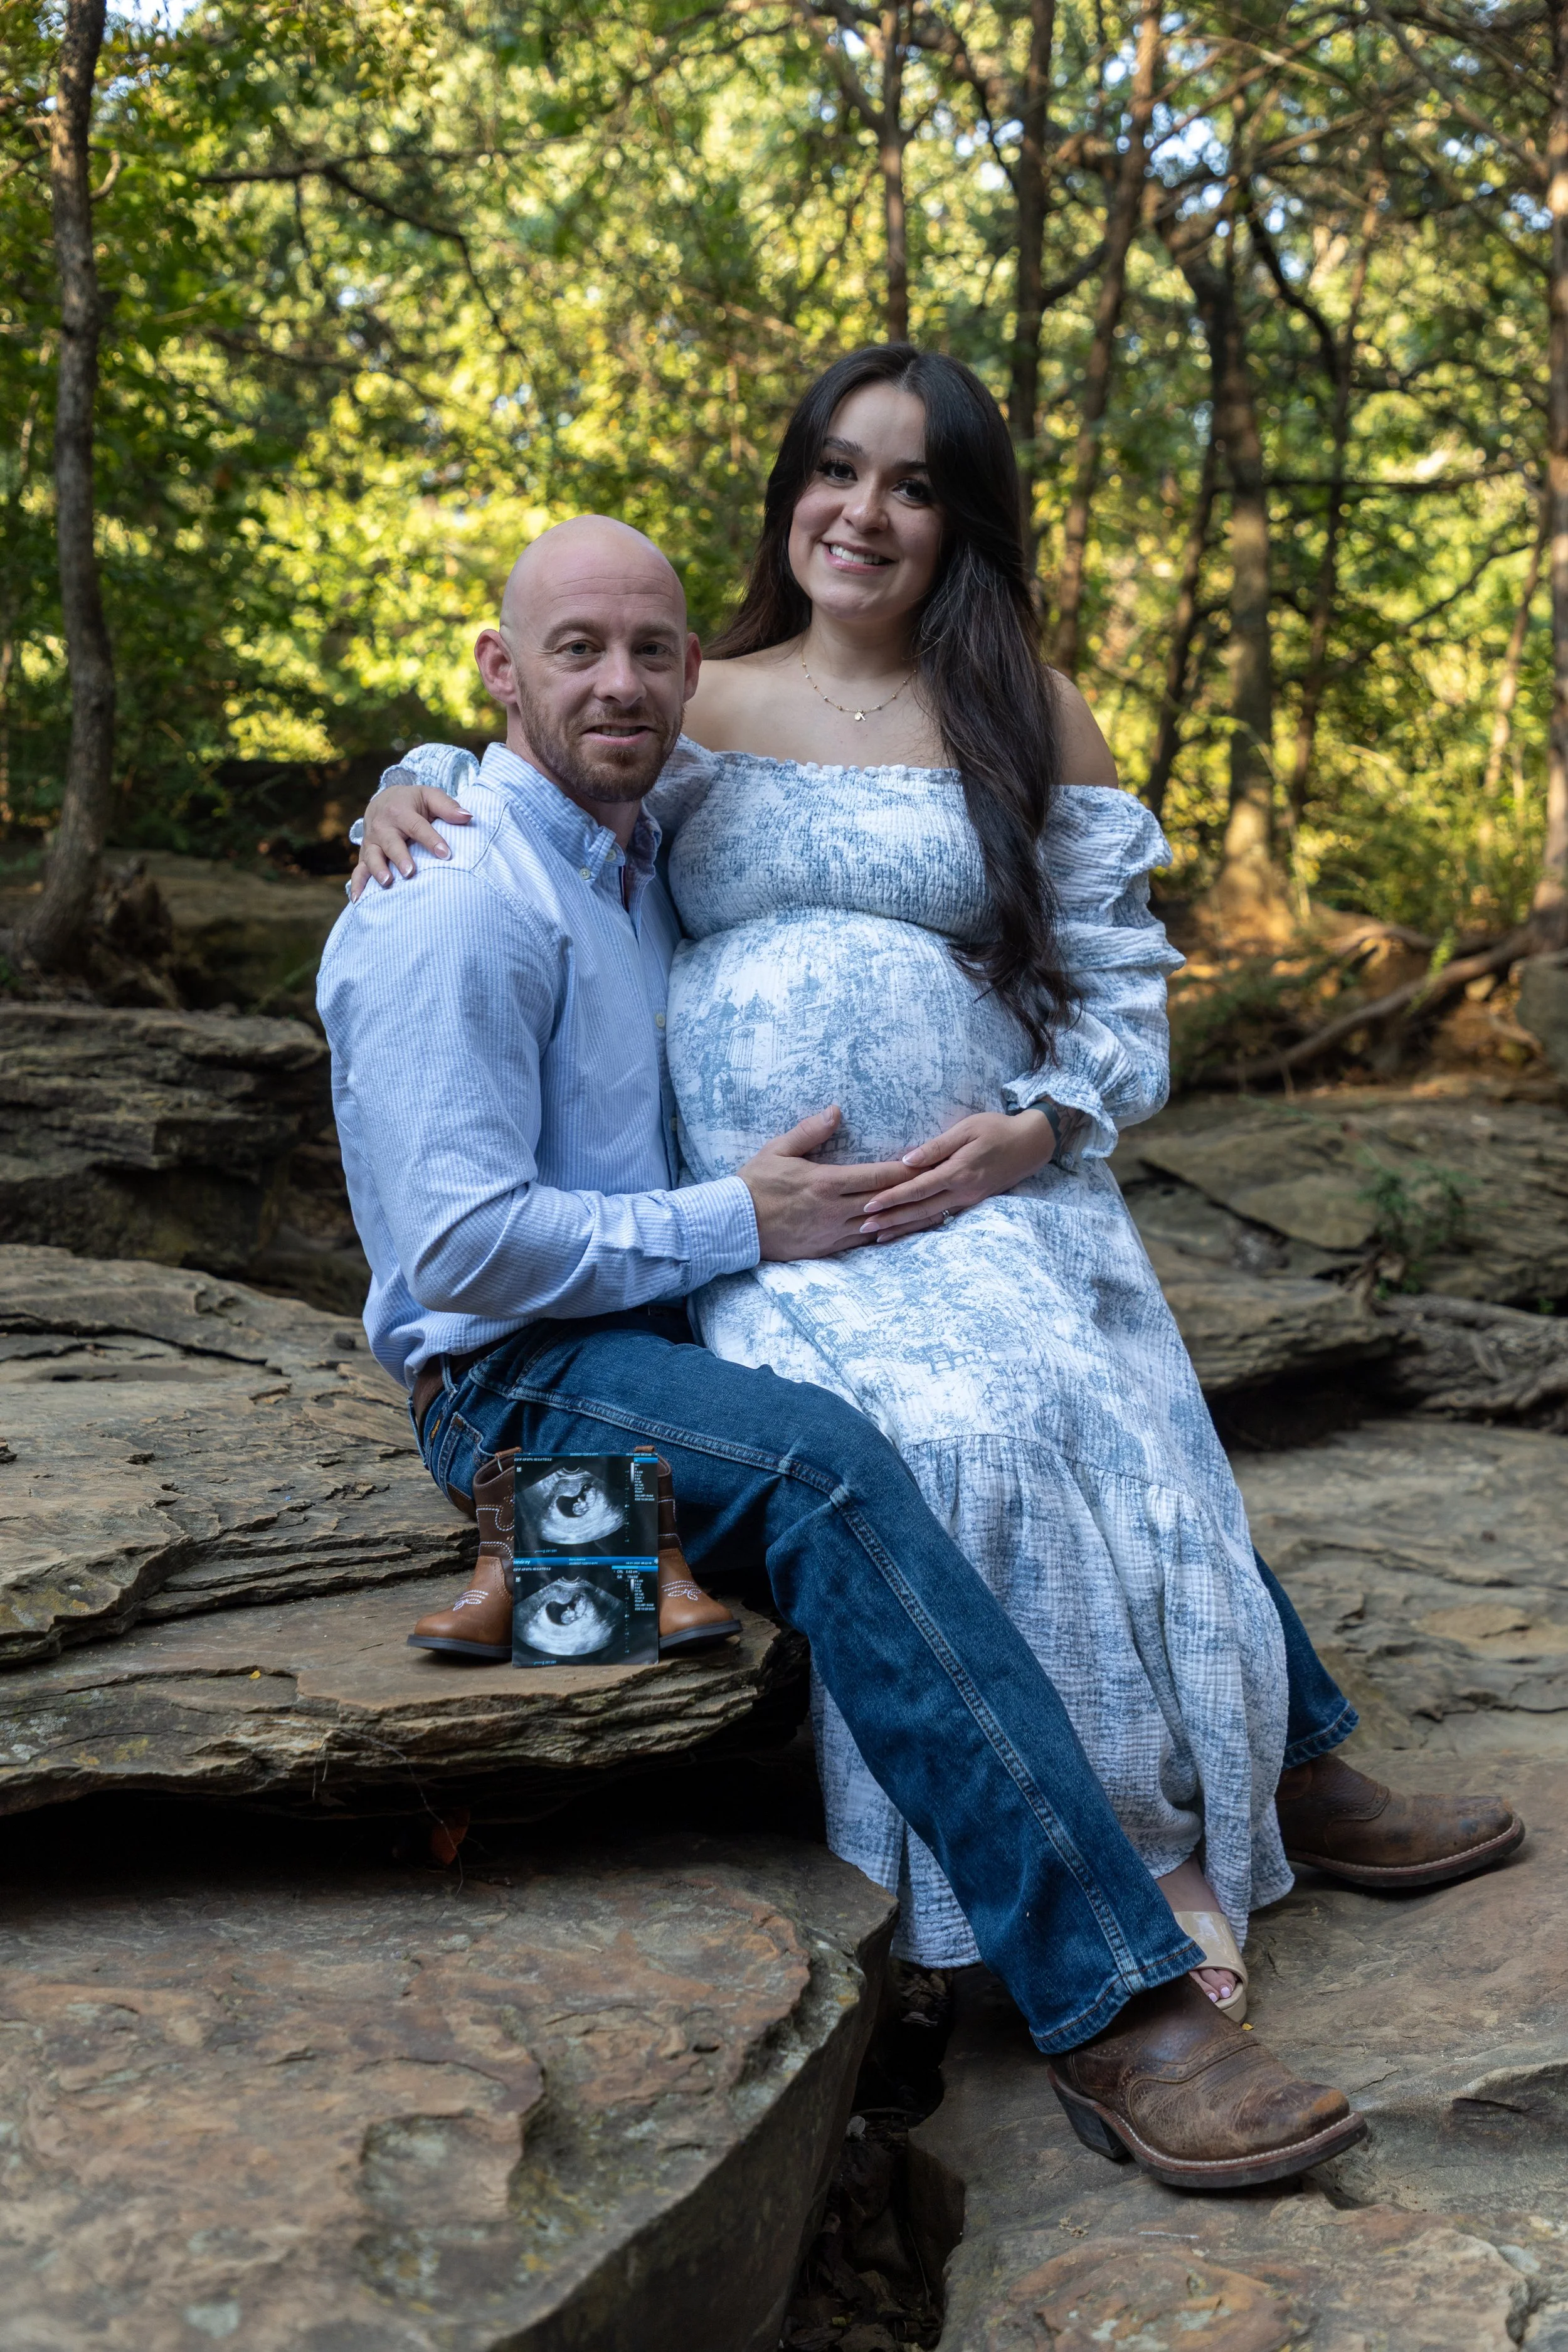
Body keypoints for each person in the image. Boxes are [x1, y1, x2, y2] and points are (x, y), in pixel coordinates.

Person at [322, 447, 1517, 2190]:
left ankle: (1285, 1760)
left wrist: (412, 770)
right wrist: (747, 1211)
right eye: (574, 651)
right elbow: (459, 1259)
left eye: (654, 651)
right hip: (518, 1387)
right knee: (832, 1474)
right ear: (498, 670)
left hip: (676, 1321)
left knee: (1055, 1363)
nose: (626, 686)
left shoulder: (623, 835)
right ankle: (1116, 2004)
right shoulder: (452, 906)